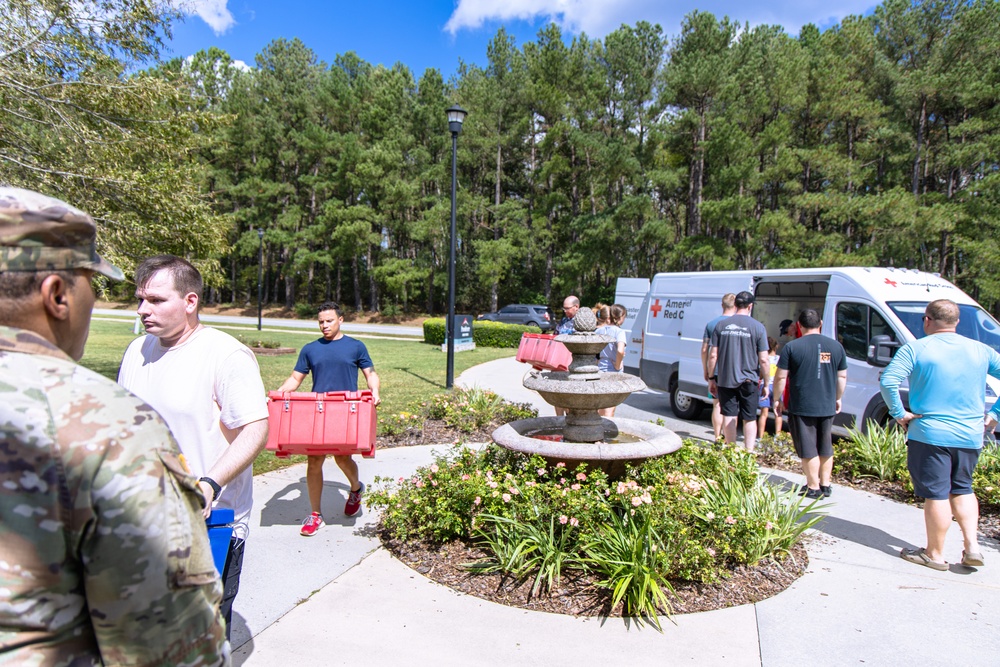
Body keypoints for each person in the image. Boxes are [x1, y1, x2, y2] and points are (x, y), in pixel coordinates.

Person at [0, 188, 227, 664]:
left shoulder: (222, 354)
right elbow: (171, 645)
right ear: (58, 295)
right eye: (92, 283)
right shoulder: (107, 427)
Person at [118, 254, 269, 640]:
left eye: (155, 300)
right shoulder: (137, 351)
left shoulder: (225, 354)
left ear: (190, 302)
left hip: (209, 525)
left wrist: (209, 484)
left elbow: (255, 429)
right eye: (140, 299)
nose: (142, 309)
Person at [880, 299, 1000, 571]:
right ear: (957, 322)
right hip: (970, 434)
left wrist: (899, 413)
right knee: (963, 488)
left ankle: (934, 554)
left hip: (930, 433)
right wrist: (995, 415)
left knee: (936, 493)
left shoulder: (916, 348)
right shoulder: (980, 350)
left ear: (927, 320)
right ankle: (972, 547)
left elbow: (888, 380)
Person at [276, 302, 382, 536]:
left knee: (343, 460)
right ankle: (315, 515)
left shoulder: (356, 347)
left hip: (346, 411)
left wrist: (374, 391)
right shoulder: (310, 349)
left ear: (341, 320)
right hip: (319, 412)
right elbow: (295, 378)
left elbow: (370, 374)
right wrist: (279, 394)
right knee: (314, 462)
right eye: (321, 322)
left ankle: (356, 488)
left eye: (329, 321)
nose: (324, 325)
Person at [772, 310, 847, 499]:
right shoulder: (836, 347)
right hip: (827, 403)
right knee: (825, 445)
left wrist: (777, 398)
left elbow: (781, 376)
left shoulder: (792, 347)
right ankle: (826, 484)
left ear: (799, 325)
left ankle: (813, 486)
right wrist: (838, 398)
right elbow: (842, 376)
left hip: (802, 404)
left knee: (807, 447)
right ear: (820, 323)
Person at [708, 291, 769, 451]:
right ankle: (748, 453)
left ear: (735, 305)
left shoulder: (721, 326)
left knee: (729, 415)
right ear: (751, 306)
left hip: (726, 379)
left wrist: (711, 378)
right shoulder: (758, 327)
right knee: (749, 418)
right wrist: (767, 383)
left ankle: (731, 452)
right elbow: (763, 359)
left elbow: (713, 355)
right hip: (749, 380)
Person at [702, 293, 737, 440]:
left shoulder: (712, 324)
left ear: (722, 305)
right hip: (733, 370)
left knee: (716, 405)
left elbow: (705, 350)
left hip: (715, 369)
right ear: (735, 306)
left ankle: (717, 437)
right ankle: (728, 437)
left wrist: (706, 369)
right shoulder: (738, 324)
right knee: (731, 406)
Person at [596, 304, 628, 417]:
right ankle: (607, 431)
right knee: (610, 407)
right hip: (613, 372)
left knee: (600, 404)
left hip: (600, 369)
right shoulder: (619, 332)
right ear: (621, 317)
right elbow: (620, 351)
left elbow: (594, 351)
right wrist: (618, 365)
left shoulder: (599, 331)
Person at [757, 336, 779, 437]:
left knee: (764, 414)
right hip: (777, 386)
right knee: (778, 413)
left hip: (764, 386)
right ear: (776, 346)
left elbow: (761, 374)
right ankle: (778, 437)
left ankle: (760, 437)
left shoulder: (763, 359)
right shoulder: (779, 359)